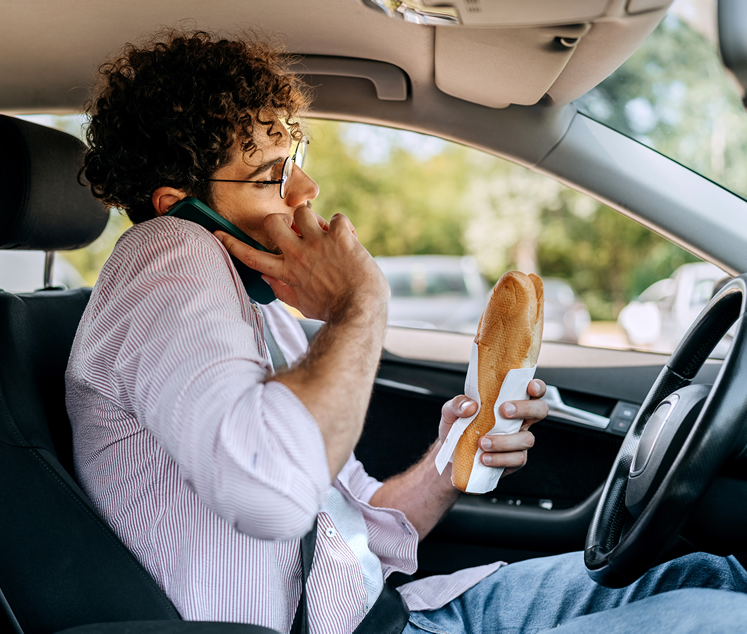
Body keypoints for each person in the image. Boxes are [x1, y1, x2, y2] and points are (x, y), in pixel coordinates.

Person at [65, 30, 747, 634]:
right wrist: (360, 305)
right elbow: (272, 496)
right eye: (270, 175)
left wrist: (454, 457)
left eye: (294, 154)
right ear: (177, 206)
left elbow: (353, 518)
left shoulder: (266, 314)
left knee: (717, 580)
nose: (305, 188)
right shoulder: (167, 253)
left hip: (409, 610)